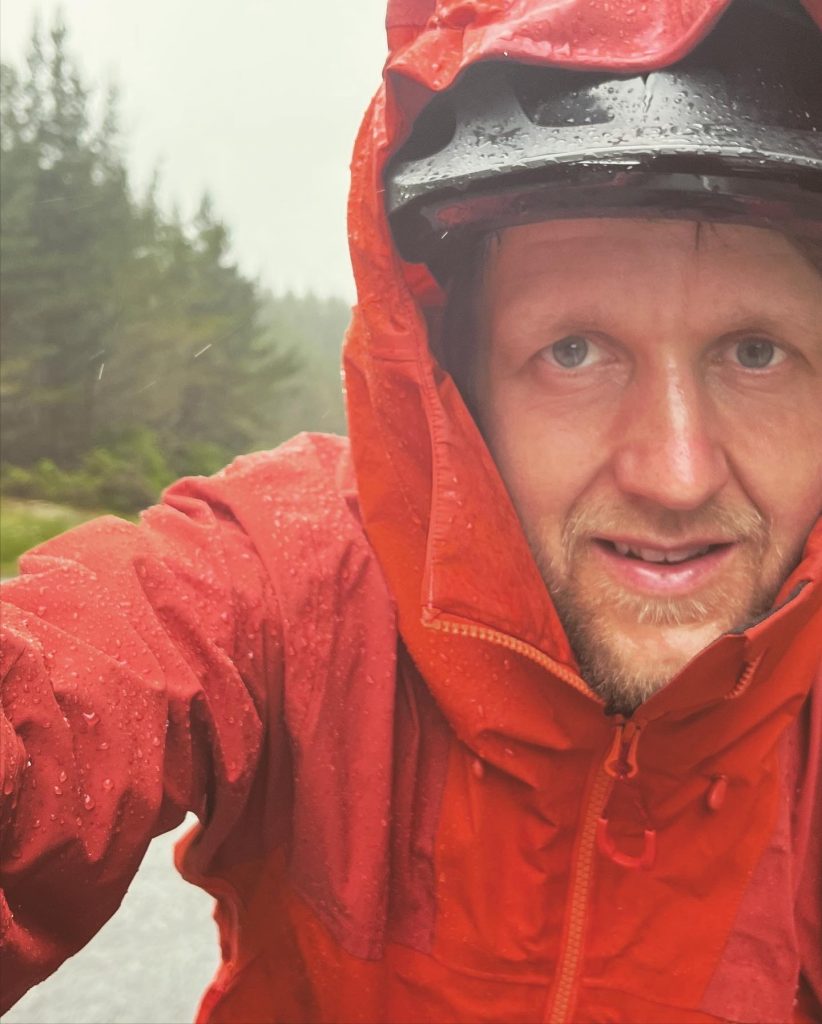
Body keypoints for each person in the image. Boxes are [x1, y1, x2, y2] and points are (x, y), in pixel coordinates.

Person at [2, 0, 820, 1021]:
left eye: (755, 352)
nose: (678, 474)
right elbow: (69, 685)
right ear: (457, 389)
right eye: (573, 352)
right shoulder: (290, 578)